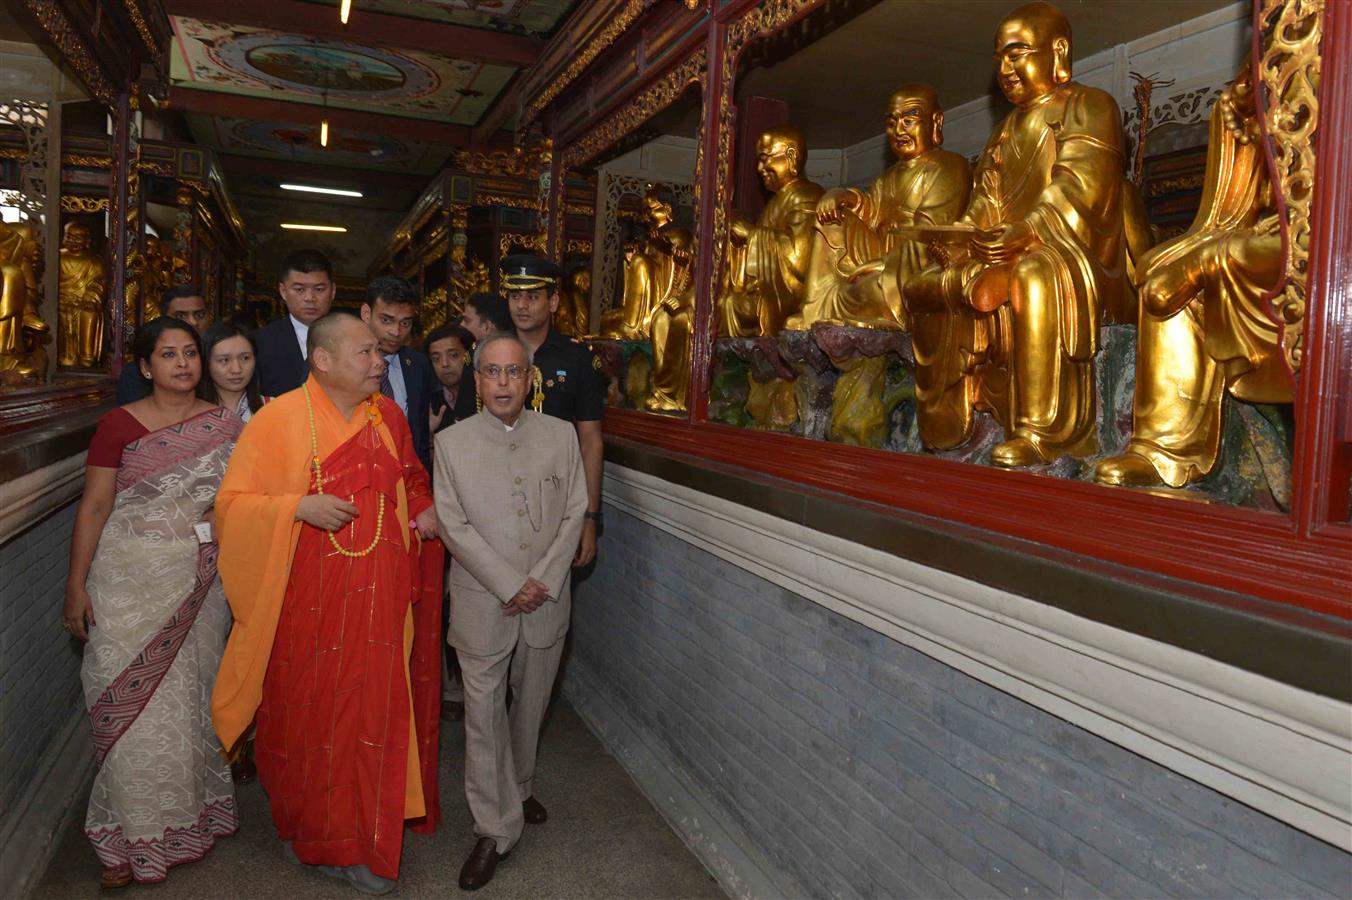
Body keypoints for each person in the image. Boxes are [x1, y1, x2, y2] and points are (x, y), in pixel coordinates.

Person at [211, 312, 441, 896]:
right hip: (304, 600)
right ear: (324, 360)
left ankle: (360, 841)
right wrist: (295, 507)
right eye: (365, 352)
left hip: (380, 598)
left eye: (380, 354)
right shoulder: (278, 419)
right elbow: (232, 505)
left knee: (373, 715)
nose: (379, 362)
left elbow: (412, 477)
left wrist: (422, 507)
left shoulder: (387, 415)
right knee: (307, 713)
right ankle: (311, 829)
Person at [905, 2, 1128, 464]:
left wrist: (1029, 230)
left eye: (1017, 52)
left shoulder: (1089, 106)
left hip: (1076, 251)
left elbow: (1081, 187)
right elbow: (986, 203)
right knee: (924, 284)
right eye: (999, 58)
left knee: (1033, 275)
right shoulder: (1004, 132)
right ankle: (956, 416)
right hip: (1007, 247)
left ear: (1058, 51)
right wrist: (960, 235)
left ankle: (1046, 432)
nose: (1005, 68)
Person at [63, 317, 243, 888]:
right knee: (125, 707)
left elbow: (237, 503)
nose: (183, 364)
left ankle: (186, 822)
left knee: (188, 702)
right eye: (168, 355)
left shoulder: (224, 426)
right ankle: (125, 837)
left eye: (190, 353)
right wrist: (76, 585)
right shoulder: (118, 425)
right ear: (146, 367)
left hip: (196, 583)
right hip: (124, 581)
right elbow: (94, 507)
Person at [433, 332, 588, 890]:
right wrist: (507, 583)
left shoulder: (562, 435)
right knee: (483, 714)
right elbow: (453, 525)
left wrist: (541, 580)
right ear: (477, 381)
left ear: (530, 380)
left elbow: (575, 510)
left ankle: (519, 787)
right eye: (492, 373)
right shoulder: (452, 443)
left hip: (546, 599)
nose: (503, 383)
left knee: (531, 705)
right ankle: (494, 828)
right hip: (481, 602)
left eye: (514, 372)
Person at [361, 275, 435, 470]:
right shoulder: (338, 362)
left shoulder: (419, 365)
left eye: (405, 323)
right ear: (366, 314)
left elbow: (420, 440)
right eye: (387, 320)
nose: (396, 331)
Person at [254, 249, 335, 397]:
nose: (309, 298)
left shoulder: (351, 340)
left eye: (319, 289)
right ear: (283, 291)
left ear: (333, 291)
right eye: (299, 289)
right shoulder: (260, 342)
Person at [116, 286, 211, 403]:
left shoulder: (221, 363)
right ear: (163, 318)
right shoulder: (136, 372)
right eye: (181, 316)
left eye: (199, 315)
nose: (193, 322)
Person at [451, 292, 513, 422]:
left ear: (487, 327)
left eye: (467, 320)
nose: (462, 325)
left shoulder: (515, 361)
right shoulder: (472, 355)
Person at [200, 321, 264, 422]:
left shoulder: (273, 408)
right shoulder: (190, 412)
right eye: (224, 360)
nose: (236, 369)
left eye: (245, 358)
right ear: (206, 362)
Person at [427, 322, 475, 436]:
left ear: (469, 356)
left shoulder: (485, 397)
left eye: (453, 355)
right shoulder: (431, 406)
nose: (444, 364)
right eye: (436, 359)